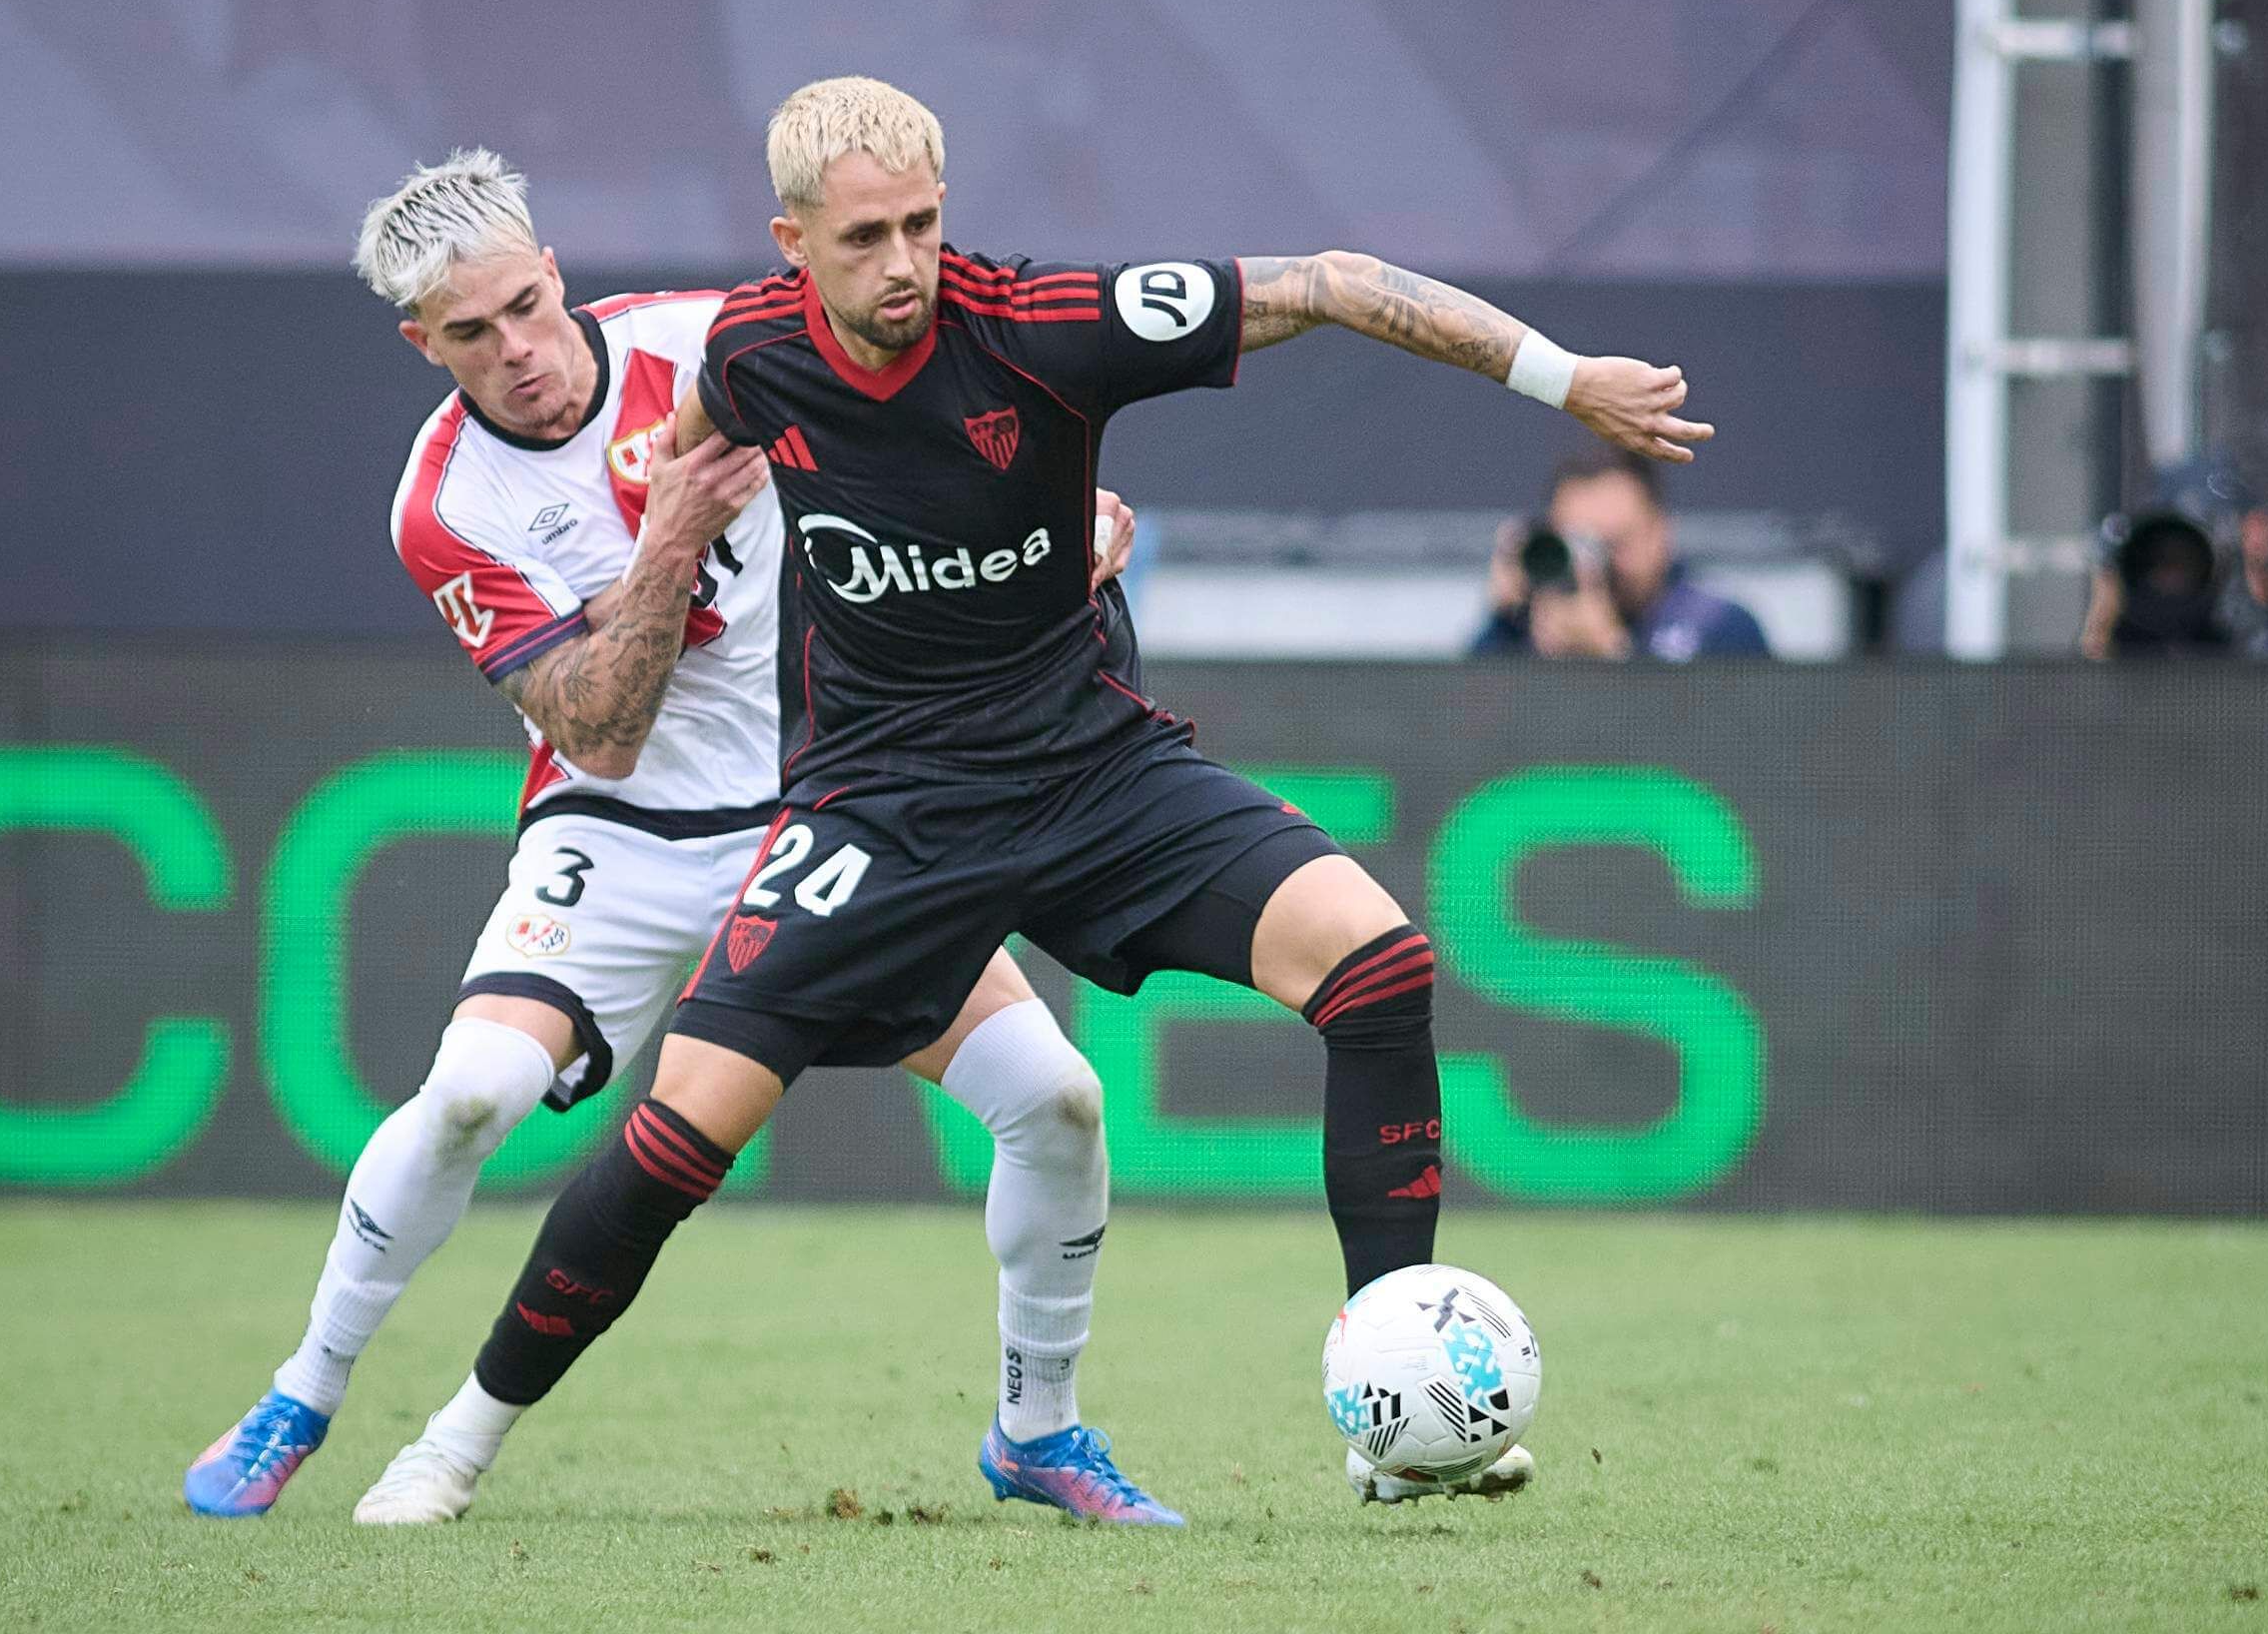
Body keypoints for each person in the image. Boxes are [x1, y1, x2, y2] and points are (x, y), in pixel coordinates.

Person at [420, 77, 1713, 1516]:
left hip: (1092, 767)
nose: (903, 263)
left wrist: (1567, 378)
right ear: (792, 242)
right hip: (882, 806)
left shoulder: (1044, 323)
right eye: (864, 239)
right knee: (679, 1134)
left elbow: (1339, 283)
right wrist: (678, 531)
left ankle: (1393, 1412)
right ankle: (456, 1441)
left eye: (922, 223)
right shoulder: (749, 355)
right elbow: (712, 446)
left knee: (1382, 966)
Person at [184, 150, 1147, 1525]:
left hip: (827, 811)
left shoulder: (710, 345)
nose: (521, 351)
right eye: (472, 332)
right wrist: (671, 537)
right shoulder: (448, 502)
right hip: (622, 833)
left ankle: (1037, 1429)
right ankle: (306, 1390)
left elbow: (937, 441)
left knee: (1056, 1099)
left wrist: (1061, 529)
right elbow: (600, 732)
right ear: (422, 343)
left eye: (527, 304)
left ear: (555, 271)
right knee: (467, 1099)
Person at [1470, 443, 1769, 660]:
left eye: (1615, 542)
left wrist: (1611, 654)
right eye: (1579, 543)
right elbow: (1459, 729)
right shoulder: (1526, 630)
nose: (1596, 565)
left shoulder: (1720, 626)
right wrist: (1504, 622)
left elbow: (1730, 738)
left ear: (1661, 532)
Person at [2080, 461, 2268, 659]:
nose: (2175, 578)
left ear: (2258, 531)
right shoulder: (2140, 650)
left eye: (2191, 558)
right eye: (2159, 563)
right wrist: (2103, 629)